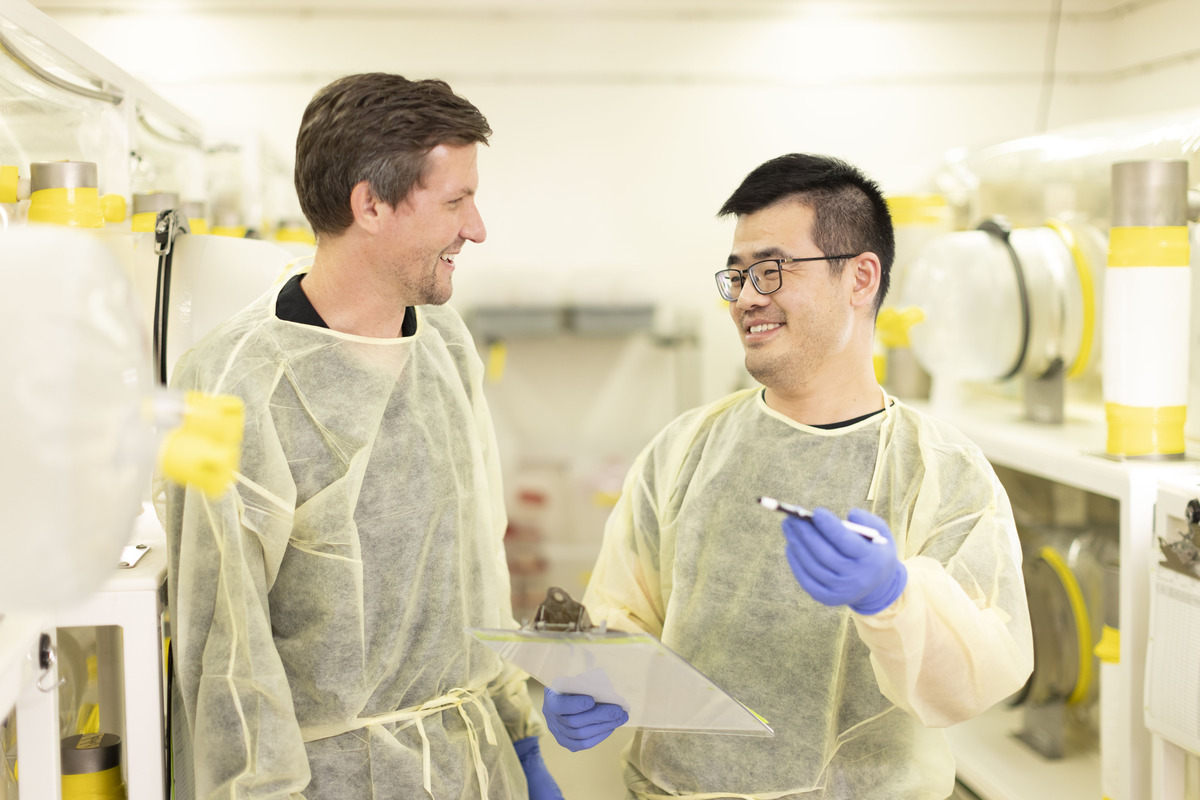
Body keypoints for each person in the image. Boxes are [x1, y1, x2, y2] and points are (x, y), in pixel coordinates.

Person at [545, 153, 1034, 799]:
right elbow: (624, 613)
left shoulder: (940, 471)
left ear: (860, 278)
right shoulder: (684, 449)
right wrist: (596, 682)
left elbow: (980, 678)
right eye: (737, 275)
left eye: (771, 271)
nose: (747, 297)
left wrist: (894, 598)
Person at [157, 72, 563, 800]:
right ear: (370, 204)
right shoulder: (219, 386)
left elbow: (476, 567)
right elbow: (223, 653)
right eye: (455, 201)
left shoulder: (445, 341)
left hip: (477, 765)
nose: (477, 228)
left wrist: (521, 738)